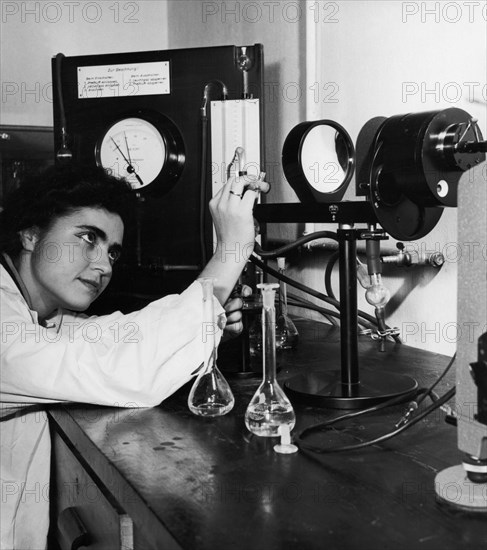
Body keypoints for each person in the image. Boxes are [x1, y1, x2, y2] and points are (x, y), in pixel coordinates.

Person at [0, 163, 262, 550]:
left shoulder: (41, 317)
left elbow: (111, 337)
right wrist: (233, 249)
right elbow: (119, 367)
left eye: (113, 252)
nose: (105, 265)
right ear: (31, 233)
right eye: (89, 237)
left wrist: (208, 320)